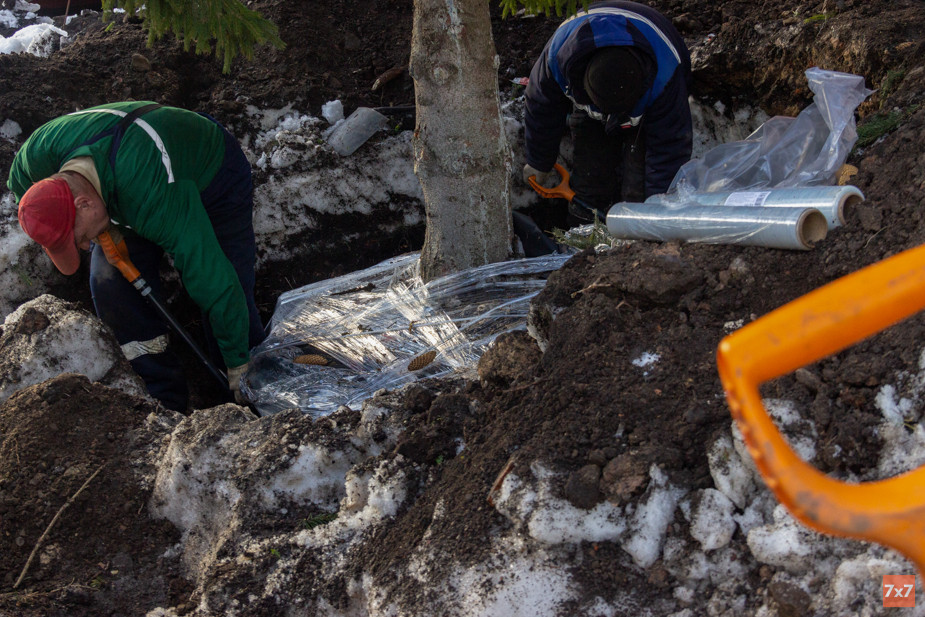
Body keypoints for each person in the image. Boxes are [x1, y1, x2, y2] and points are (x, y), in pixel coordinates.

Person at [8, 101, 265, 412]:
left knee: (226, 281)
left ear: (85, 204)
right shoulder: (35, 158)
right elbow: (25, 194)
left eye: (77, 238)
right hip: (126, 181)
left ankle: (249, 388)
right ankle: (166, 401)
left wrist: (238, 362)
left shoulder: (154, 196)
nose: (81, 246)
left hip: (208, 170)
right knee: (110, 285)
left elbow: (213, 279)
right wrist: (99, 229)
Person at [522, 0, 693, 225]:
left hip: (647, 111)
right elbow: (542, 107)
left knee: (639, 191)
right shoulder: (557, 60)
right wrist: (539, 160)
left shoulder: (666, 74)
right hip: (592, 94)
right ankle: (581, 236)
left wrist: (656, 213)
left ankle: (635, 238)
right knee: (590, 178)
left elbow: (668, 148)